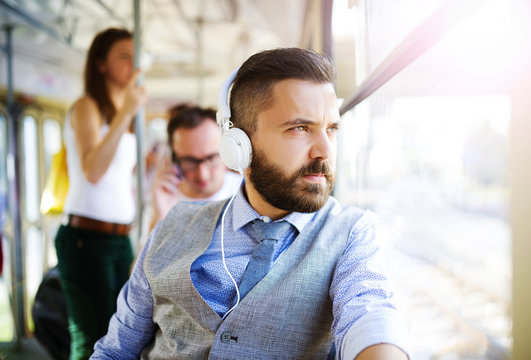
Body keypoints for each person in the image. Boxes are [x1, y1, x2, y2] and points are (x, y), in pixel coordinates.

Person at [91, 48, 409, 359]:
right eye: (300, 128)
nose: (324, 150)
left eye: (331, 129)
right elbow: (115, 350)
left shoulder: (353, 233)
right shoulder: (174, 223)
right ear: (239, 146)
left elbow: (370, 314)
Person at [54, 27, 146, 360]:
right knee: (93, 335)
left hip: (120, 238)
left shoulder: (123, 113)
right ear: (101, 64)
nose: (132, 63)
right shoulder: (87, 106)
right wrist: (126, 113)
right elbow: (93, 171)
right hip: (86, 238)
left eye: (135, 56)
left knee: (122, 332)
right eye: (123, 55)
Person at [148, 104, 242, 230]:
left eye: (211, 158)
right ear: (173, 159)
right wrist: (160, 217)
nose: (202, 175)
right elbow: (146, 250)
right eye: (189, 161)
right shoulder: (165, 197)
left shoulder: (246, 193)